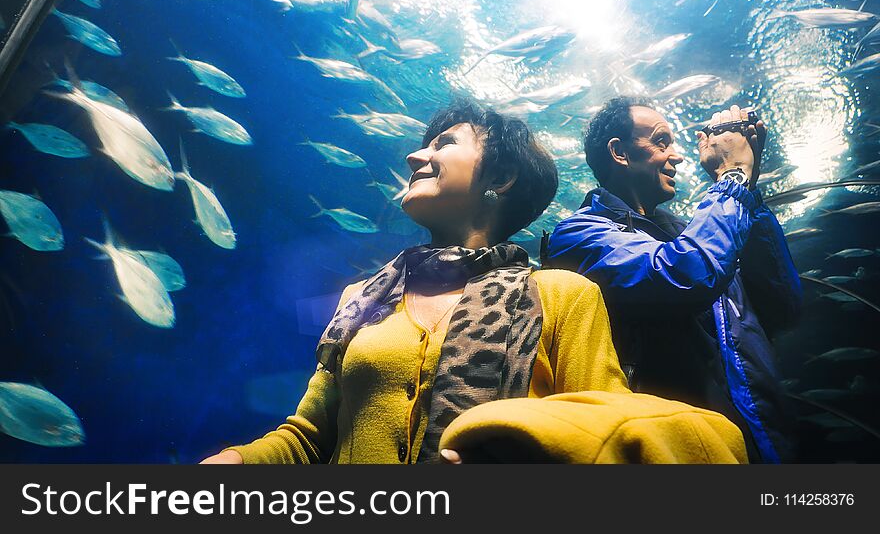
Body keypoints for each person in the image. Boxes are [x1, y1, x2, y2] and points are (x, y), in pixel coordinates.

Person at [201, 98, 747, 464]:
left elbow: (601, 439)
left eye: (444, 144)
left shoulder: (561, 294)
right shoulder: (362, 300)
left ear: (501, 178)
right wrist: (238, 460)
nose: (418, 154)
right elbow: (307, 437)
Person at [544, 96, 802, 463]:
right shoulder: (579, 233)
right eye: (661, 141)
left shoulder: (692, 233)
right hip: (679, 452)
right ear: (619, 152)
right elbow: (684, 276)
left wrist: (749, 192)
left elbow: (783, 307)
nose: (677, 156)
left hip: (762, 444)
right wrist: (732, 178)